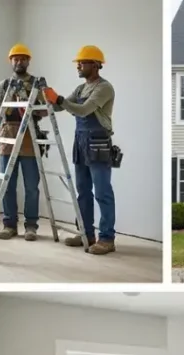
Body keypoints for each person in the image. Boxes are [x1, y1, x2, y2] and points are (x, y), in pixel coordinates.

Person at [42, 45, 116, 256]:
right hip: (81, 142)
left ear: (95, 65)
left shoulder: (104, 88)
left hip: (98, 142)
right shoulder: (80, 89)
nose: (79, 66)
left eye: (82, 63)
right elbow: (60, 107)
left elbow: (83, 110)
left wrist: (58, 99)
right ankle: (86, 234)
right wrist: (45, 99)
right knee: (83, 191)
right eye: (78, 63)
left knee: (103, 193)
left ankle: (107, 238)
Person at [0, 43, 46, 242]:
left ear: (28, 61)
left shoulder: (37, 84)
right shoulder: (4, 84)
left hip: (29, 134)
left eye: (23, 58)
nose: (19, 61)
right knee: (7, 184)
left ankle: (31, 226)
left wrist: (32, 111)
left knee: (31, 185)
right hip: (7, 134)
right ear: (11, 61)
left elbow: (46, 109)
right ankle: (9, 224)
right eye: (16, 58)